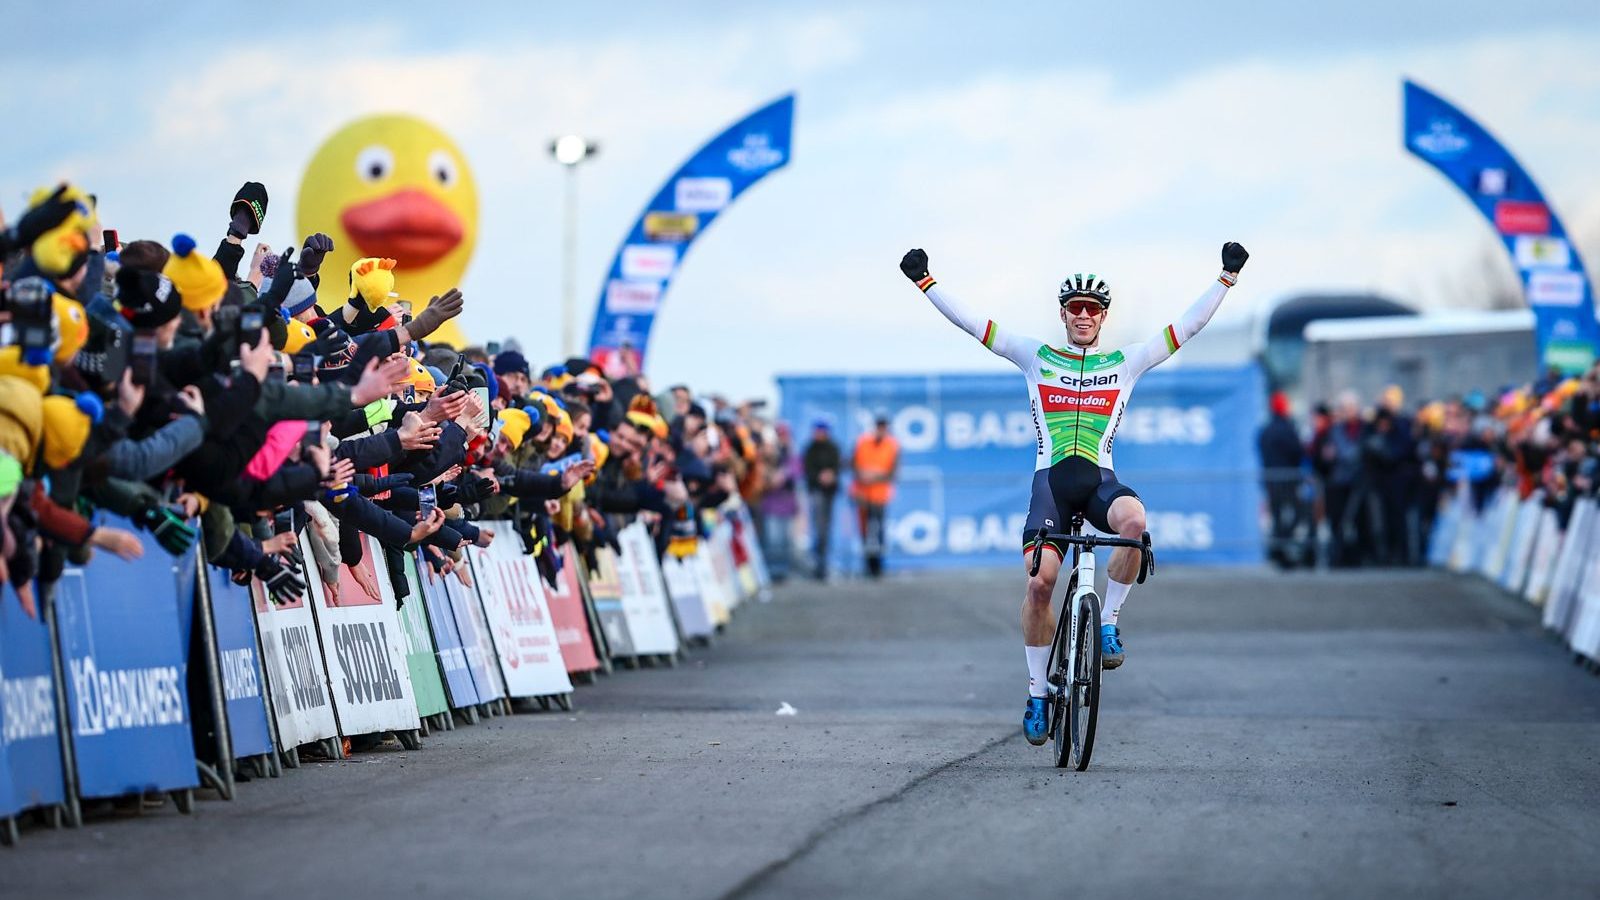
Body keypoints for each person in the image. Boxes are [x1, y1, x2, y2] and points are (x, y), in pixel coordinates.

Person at [900, 241, 1249, 747]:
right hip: (1051, 486)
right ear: (1063, 314)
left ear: (1104, 317)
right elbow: (974, 324)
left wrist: (1226, 277)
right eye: (1075, 308)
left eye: (1093, 309)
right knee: (1040, 584)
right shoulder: (1034, 356)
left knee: (1136, 524)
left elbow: (1186, 328)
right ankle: (1039, 692)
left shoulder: (1125, 362)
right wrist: (926, 282)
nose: (1083, 316)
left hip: (1100, 481)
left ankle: (1108, 622)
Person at [1257, 391, 1306, 568]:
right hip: (1288, 479)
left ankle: (1278, 550)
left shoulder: (1266, 429)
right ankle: (1283, 546)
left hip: (1271, 479)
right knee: (1297, 513)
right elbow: (1297, 451)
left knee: (1277, 517)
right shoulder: (1287, 428)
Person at [850, 415, 900, 577]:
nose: (881, 429)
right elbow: (853, 465)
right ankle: (868, 564)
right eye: (879, 426)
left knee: (879, 531)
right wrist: (864, 475)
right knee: (865, 530)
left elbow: (893, 472)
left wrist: (875, 476)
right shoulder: (863, 442)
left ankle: (878, 565)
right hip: (863, 494)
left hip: (880, 495)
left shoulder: (892, 446)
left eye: (884, 426)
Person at [801, 419, 841, 579]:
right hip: (816, 490)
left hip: (829, 492)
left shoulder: (833, 447)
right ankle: (819, 563)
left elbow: (837, 466)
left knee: (826, 528)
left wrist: (831, 476)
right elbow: (807, 469)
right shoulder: (810, 448)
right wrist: (819, 477)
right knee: (818, 527)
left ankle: (823, 562)